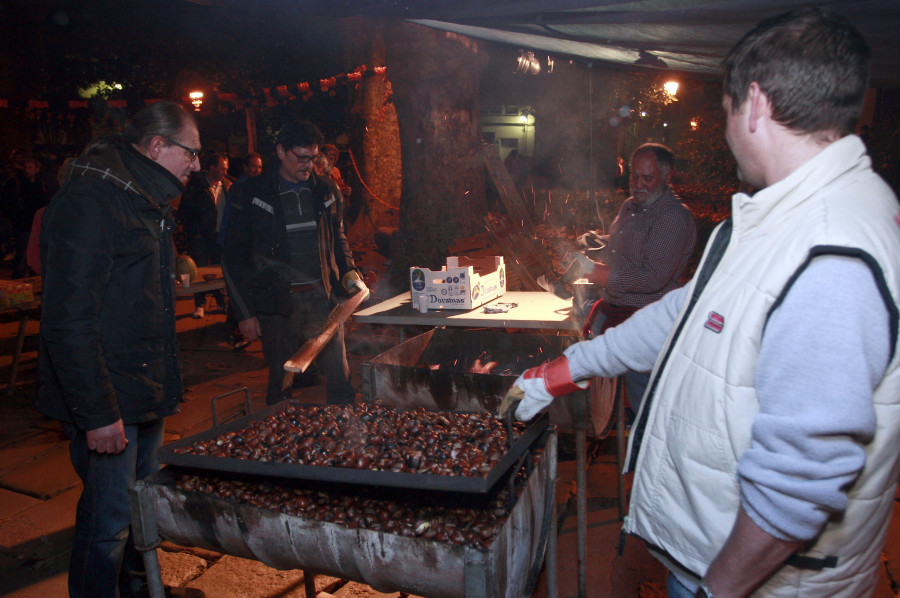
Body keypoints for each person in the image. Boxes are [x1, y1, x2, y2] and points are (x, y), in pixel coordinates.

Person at [502, 8, 900, 598]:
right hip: (710, 552)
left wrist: (720, 588)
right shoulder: (769, 220)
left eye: (725, 109)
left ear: (756, 103)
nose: (725, 127)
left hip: (758, 581)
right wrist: (564, 371)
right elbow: (678, 313)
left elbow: (803, 478)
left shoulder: (833, 250)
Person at [36, 100, 201, 598]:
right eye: (190, 153)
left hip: (143, 388)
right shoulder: (92, 201)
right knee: (107, 522)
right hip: (109, 400)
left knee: (141, 510)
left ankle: (136, 588)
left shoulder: (144, 199)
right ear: (157, 146)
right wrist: (98, 413)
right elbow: (67, 319)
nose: (197, 164)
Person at [222, 121, 368, 406]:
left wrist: (350, 271)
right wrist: (244, 312)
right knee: (282, 382)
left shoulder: (325, 190)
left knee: (340, 379)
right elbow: (232, 257)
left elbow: (338, 237)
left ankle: (349, 436)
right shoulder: (251, 194)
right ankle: (280, 435)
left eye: (312, 158)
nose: (308, 165)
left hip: (323, 303)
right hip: (278, 307)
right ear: (280, 151)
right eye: (301, 158)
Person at [541, 143, 696, 407]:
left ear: (668, 177)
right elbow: (628, 241)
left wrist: (594, 272)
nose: (638, 184)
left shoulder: (673, 219)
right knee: (607, 392)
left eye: (647, 178)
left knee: (645, 401)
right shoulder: (631, 206)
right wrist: (598, 240)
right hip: (619, 314)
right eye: (634, 177)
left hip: (650, 324)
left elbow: (651, 278)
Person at [177, 152, 231, 318]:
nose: (225, 172)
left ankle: (220, 301)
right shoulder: (196, 187)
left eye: (226, 169)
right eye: (222, 168)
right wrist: (193, 232)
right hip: (200, 236)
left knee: (217, 270)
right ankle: (199, 304)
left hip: (219, 236)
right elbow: (184, 211)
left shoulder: (227, 185)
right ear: (212, 167)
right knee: (197, 271)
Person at [1, 156, 49, 278]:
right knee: (22, 255)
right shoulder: (17, 184)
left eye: (30, 167)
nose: (27, 170)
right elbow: (8, 203)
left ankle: (34, 281)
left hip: (36, 224)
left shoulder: (40, 184)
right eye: (25, 167)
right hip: (23, 225)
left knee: (34, 254)